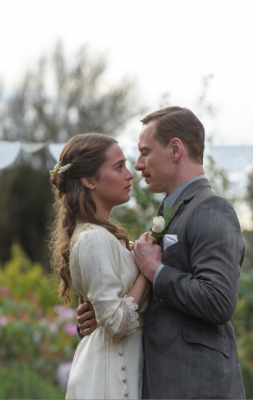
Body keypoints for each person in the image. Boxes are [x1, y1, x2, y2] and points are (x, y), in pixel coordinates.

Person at [77, 106, 245, 399]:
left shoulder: (211, 208)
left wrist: (157, 271)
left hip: (198, 389)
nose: (138, 165)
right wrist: (104, 313)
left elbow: (218, 301)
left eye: (145, 152)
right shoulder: (170, 212)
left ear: (175, 149)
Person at [49, 133, 152, 399]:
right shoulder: (93, 239)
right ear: (88, 180)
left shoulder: (104, 236)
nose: (130, 175)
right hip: (108, 378)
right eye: (118, 167)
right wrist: (148, 272)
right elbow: (116, 323)